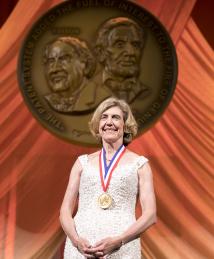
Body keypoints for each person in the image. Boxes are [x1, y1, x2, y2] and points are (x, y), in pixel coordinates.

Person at [60, 97, 156, 258]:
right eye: (104, 117)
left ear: (125, 126)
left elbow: (150, 215)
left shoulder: (140, 165)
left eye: (115, 117)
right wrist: (76, 241)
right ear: (98, 126)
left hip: (122, 249)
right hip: (81, 249)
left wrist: (119, 241)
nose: (109, 122)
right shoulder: (82, 163)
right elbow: (65, 211)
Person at [93, 17, 150, 104]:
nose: (131, 52)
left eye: (135, 45)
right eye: (120, 45)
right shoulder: (90, 89)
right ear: (101, 52)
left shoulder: (145, 92)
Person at [43, 36, 97, 114]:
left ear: (84, 64)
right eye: (51, 61)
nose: (54, 69)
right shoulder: (47, 101)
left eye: (63, 59)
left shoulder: (101, 97)